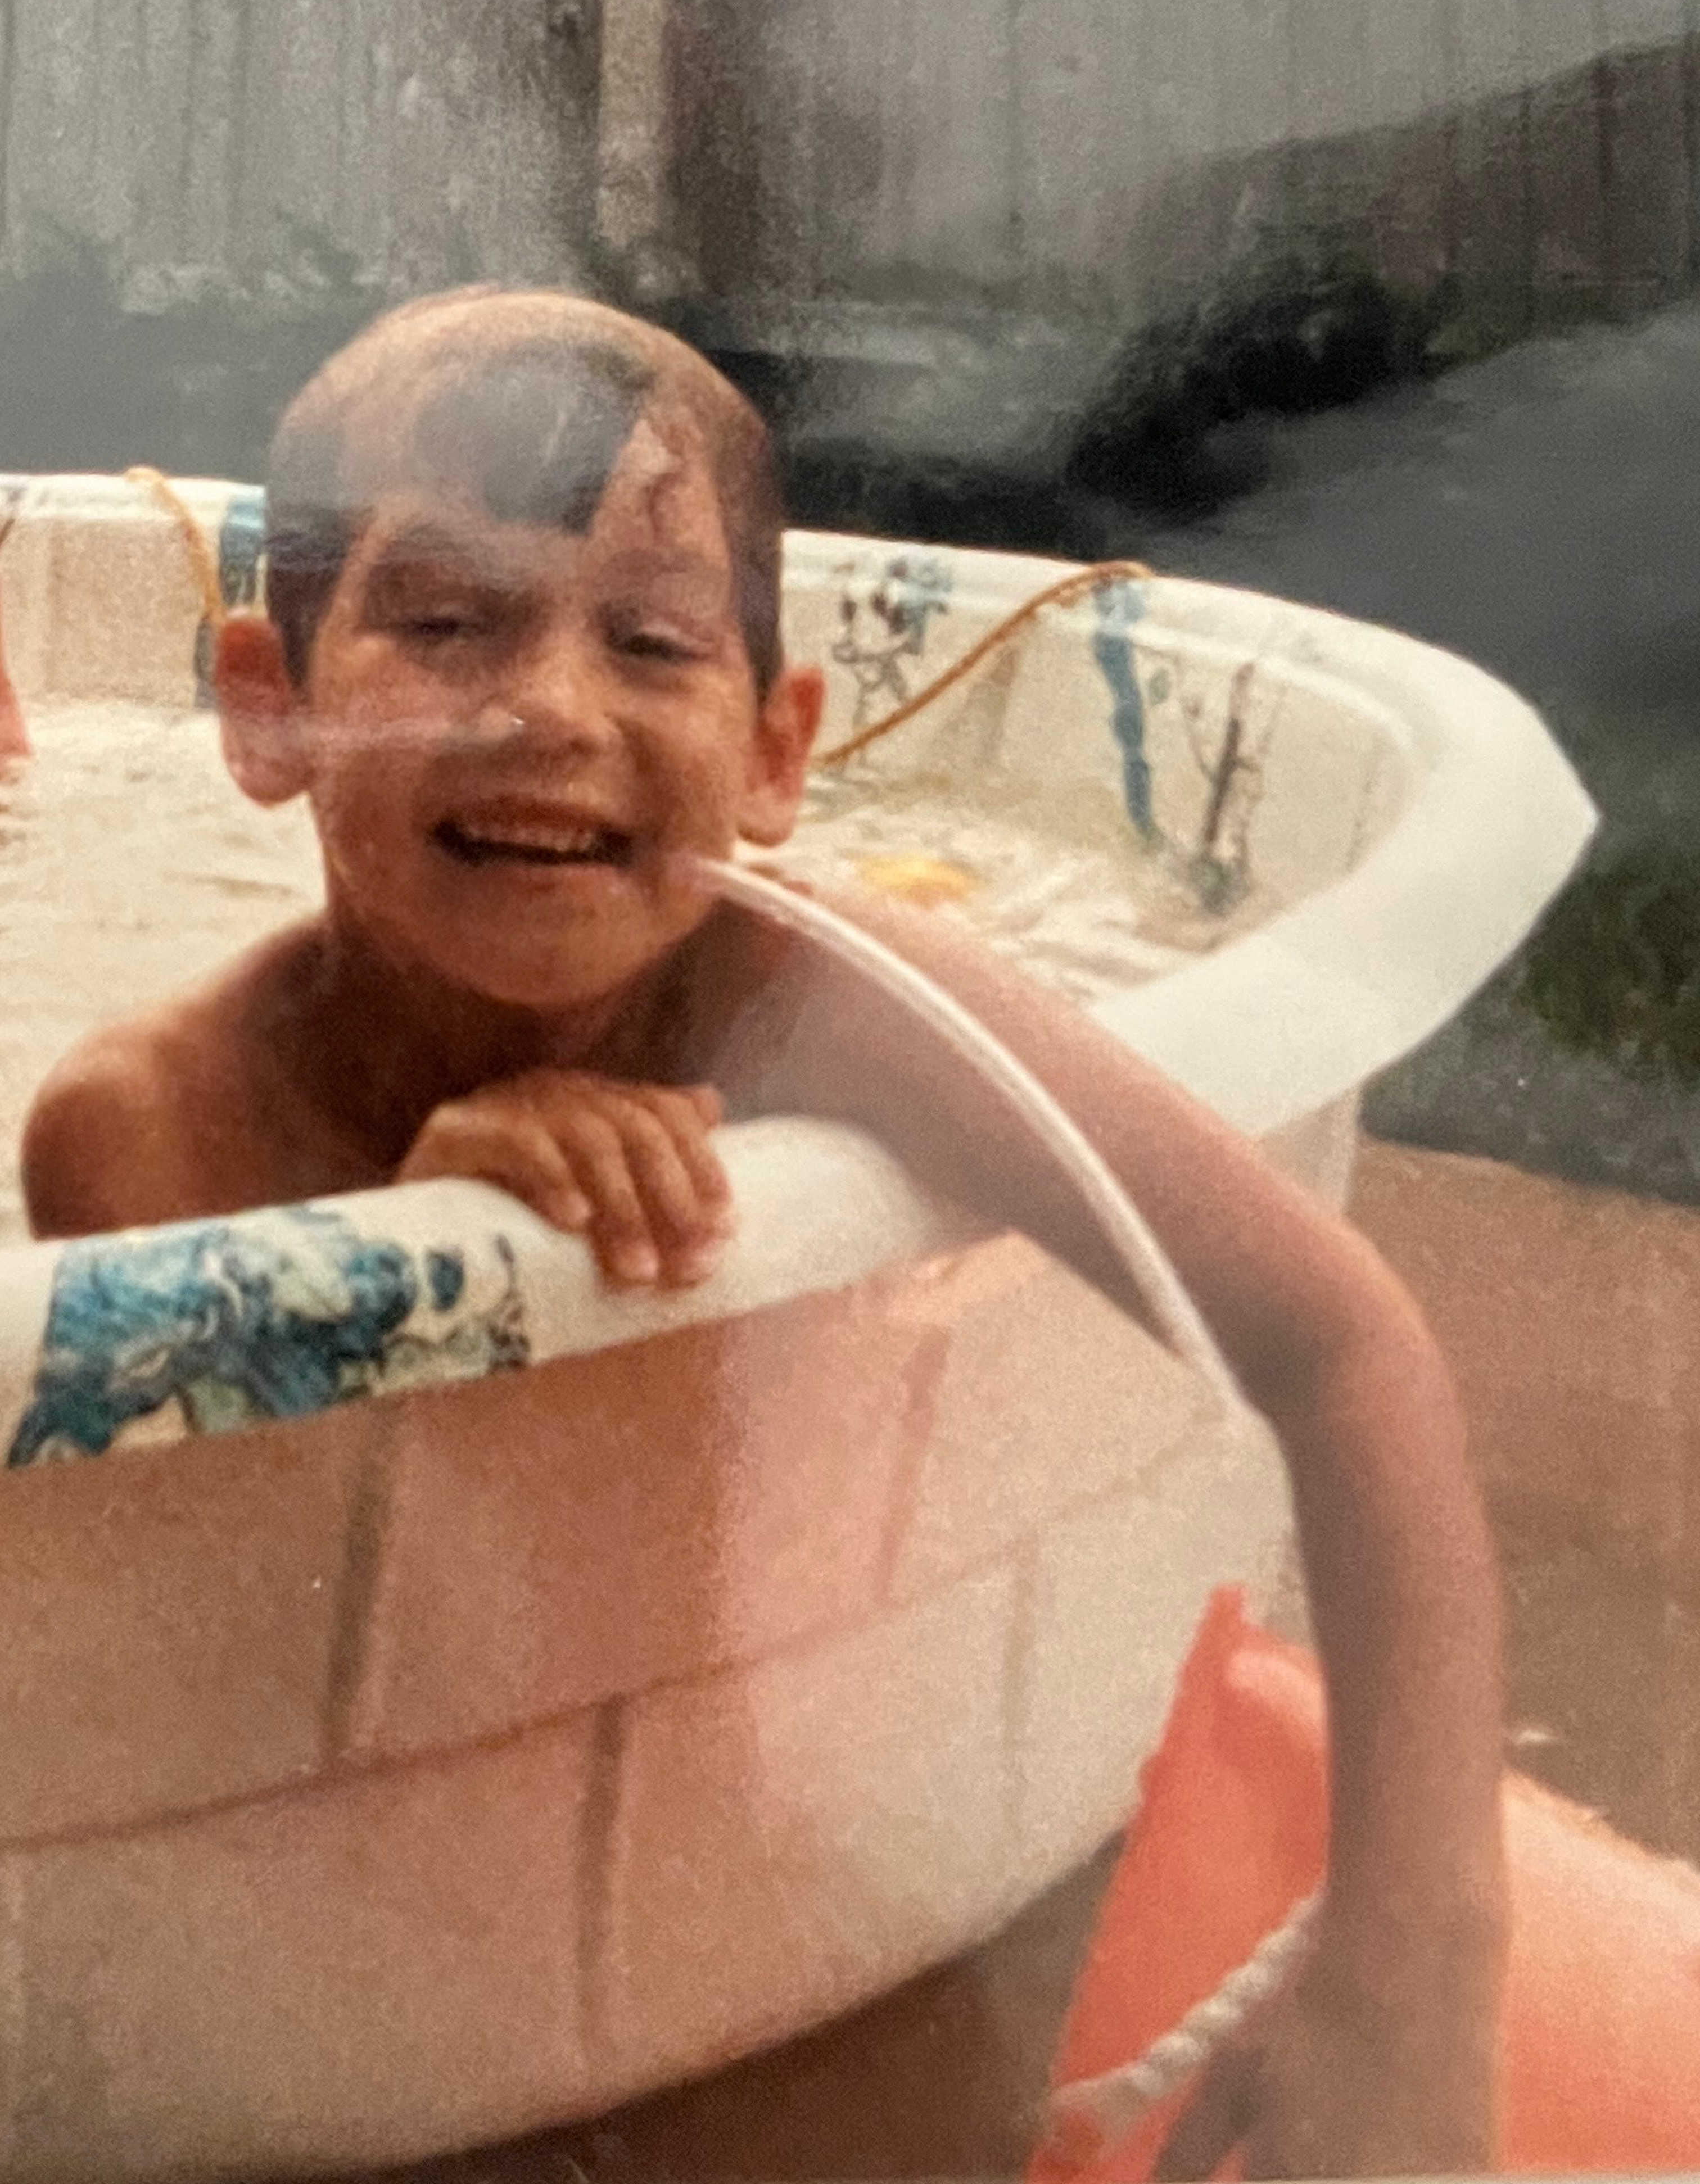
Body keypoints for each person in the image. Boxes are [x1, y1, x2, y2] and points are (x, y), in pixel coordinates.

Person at [21, 287, 1507, 2180]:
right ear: (265, 708)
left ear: (779, 751)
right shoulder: (153, 1127)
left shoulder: (835, 1003)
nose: (550, 707)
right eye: (447, 620)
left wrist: (1413, 1968)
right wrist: (415, 1256)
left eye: (652, 641)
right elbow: (287, 1723)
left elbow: (1340, 1346)